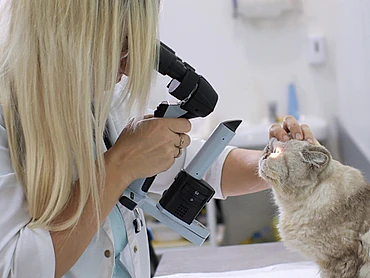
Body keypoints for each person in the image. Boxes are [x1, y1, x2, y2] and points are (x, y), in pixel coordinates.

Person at [0, 1, 316, 278]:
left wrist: (278, 162)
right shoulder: (8, 119)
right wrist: (118, 165)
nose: (127, 66)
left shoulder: (98, 101)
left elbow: (192, 166)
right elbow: (18, 269)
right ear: (69, 35)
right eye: (120, 45)